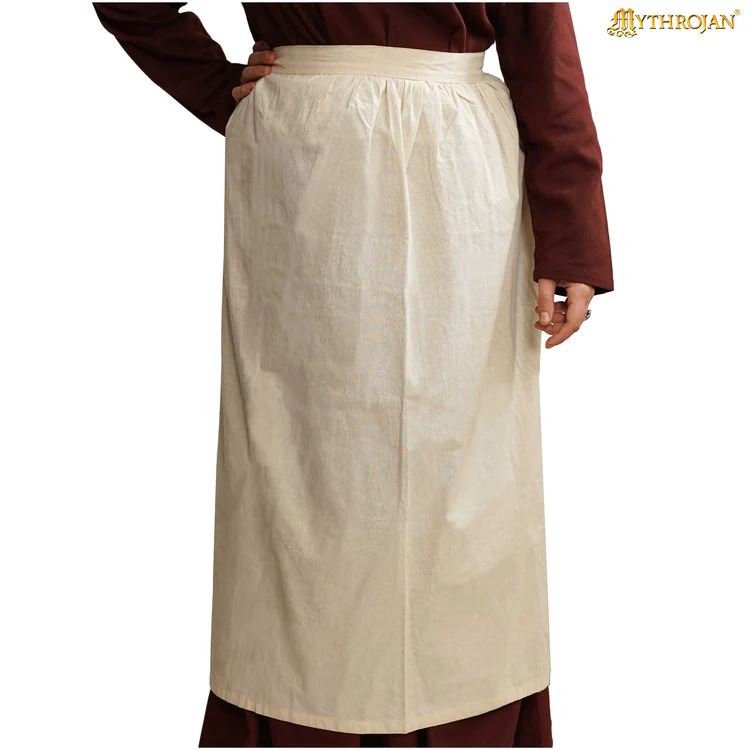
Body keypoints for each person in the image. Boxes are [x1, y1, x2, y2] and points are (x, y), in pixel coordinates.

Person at [93, 3, 614, 747]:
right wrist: (216, 88)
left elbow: (539, 34)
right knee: (304, 467)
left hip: (452, 168)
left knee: (462, 471)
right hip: (310, 164)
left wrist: (573, 233)